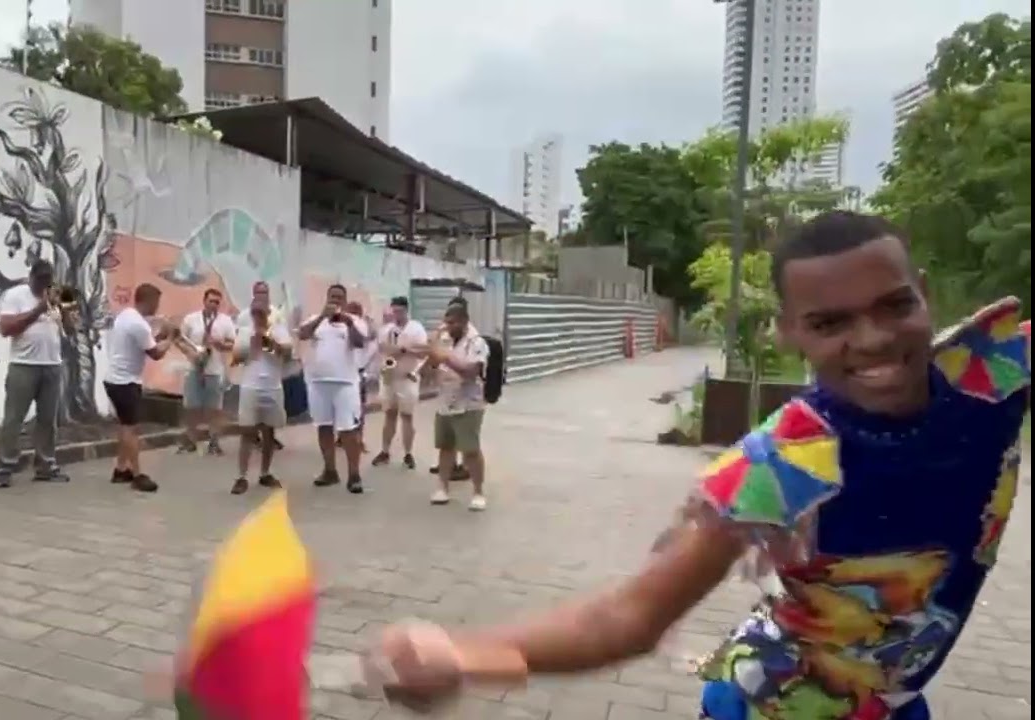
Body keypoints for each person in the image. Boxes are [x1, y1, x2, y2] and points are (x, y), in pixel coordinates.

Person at [371, 211, 1031, 720]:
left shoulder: (994, 373)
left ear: (925, 293)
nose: (874, 338)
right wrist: (464, 658)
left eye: (894, 305)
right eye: (830, 322)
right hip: (772, 705)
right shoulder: (783, 463)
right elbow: (629, 617)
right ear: (788, 332)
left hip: (892, 702)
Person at [0, 260, 74, 488]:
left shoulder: (60, 294)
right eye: (40, 281)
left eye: (48, 281)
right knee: (14, 418)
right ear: (32, 277)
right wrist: (40, 308)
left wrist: (64, 310)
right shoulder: (16, 295)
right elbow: (5, 328)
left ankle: (46, 465)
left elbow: (72, 330)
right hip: (23, 365)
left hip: (52, 364)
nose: (44, 285)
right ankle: (5, 466)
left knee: (48, 419)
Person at [102, 283, 174, 493]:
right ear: (149, 301)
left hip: (116, 380)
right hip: (125, 382)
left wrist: (161, 337)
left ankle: (120, 469)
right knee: (130, 429)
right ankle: (137, 474)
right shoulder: (138, 324)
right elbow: (156, 353)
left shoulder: (126, 315)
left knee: (126, 426)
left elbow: (146, 343)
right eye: (156, 302)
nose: (157, 307)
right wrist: (171, 338)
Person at [298, 284, 369, 493]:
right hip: (318, 383)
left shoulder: (355, 321)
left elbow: (359, 343)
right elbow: (303, 334)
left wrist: (348, 324)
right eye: (332, 297)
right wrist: (322, 317)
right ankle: (330, 471)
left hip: (345, 383)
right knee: (324, 427)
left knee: (348, 430)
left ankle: (354, 475)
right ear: (327, 298)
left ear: (345, 301)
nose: (336, 301)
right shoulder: (316, 319)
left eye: (340, 298)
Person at [424, 303, 490, 511]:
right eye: (446, 322)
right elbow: (430, 367)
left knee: (470, 449)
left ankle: (478, 492)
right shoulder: (444, 340)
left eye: (452, 323)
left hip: (469, 403)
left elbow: (470, 371)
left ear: (463, 322)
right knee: (445, 446)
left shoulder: (477, 342)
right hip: (445, 399)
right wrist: (432, 348)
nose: (448, 327)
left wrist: (446, 357)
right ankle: (442, 487)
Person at [229, 298, 294, 495]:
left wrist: (273, 343)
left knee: (269, 432)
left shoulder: (279, 329)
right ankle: (242, 476)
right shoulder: (245, 331)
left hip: (272, 386)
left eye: (261, 312)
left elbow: (289, 354)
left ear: (268, 312)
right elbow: (236, 359)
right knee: (247, 432)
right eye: (255, 312)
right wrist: (251, 345)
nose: (258, 315)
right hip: (251, 386)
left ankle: (265, 472)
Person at [371, 296, 429, 469]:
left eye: (399, 311)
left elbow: (423, 351)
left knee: (407, 416)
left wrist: (403, 349)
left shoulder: (416, 328)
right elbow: (382, 348)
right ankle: (385, 451)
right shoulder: (387, 329)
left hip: (408, 377)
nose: (396, 314)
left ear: (406, 310)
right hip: (390, 377)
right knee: (389, 415)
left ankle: (408, 453)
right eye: (394, 311)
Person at [178, 288, 236, 455]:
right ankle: (190, 440)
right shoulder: (191, 319)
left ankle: (214, 441)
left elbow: (233, 344)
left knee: (215, 408)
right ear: (204, 301)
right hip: (194, 368)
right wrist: (190, 353)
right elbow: (180, 340)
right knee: (191, 407)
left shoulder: (225, 321)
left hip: (214, 370)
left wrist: (220, 345)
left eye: (217, 302)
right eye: (211, 301)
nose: (214, 305)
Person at [235, 281, 287, 452]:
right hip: (252, 369)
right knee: (250, 414)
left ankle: (269, 439)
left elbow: (285, 344)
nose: (261, 296)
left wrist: (271, 340)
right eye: (258, 292)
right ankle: (253, 438)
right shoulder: (244, 316)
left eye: (264, 292)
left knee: (270, 416)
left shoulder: (277, 314)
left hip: (272, 370)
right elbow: (239, 344)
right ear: (253, 294)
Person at [428, 295, 472, 482]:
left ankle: (466, 465)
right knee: (448, 436)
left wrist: (445, 359)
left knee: (465, 436)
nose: (448, 322)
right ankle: (450, 464)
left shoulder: (472, 337)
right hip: (446, 390)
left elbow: (469, 368)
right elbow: (433, 355)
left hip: (465, 393)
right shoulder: (445, 334)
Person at [346, 300, 379, 454]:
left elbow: (372, 336)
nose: (353, 316)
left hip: (357, 374)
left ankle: (358, 439)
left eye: (355, 312)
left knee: (359, 409)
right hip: (345, 373)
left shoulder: (362, 329)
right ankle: (345, 438)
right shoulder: (342, 328)